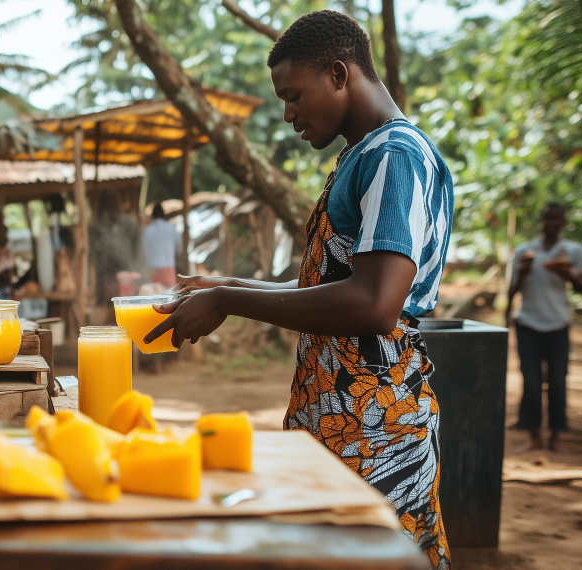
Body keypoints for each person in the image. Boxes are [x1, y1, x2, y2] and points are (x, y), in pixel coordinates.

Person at [139, 11, 453, 567]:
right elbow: (332, 286)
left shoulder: (394, 155)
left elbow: (375, 305)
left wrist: (231, 301)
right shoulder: (362, 156)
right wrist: (229, 284)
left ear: (338, 74)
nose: (286, 114)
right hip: (339, 415)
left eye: (293, 95)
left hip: (373, 428)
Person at [505, 203, 582, 452]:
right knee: (531, 381)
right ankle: (533, 435)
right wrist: (522, 274)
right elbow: (512, 290)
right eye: (546, 219)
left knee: (558, 380)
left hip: (558, 325)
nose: (550, 224)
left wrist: (569, 275)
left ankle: (556, 437)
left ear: (563, 222)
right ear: (540, 221)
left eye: (555, 219)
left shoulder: (572, 251)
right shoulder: (525, 251)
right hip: (527, 324)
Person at [90, 192, 141, 303]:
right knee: (109, 301)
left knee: (127, 301)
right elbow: (95, 250)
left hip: (126, 271)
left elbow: (137, 246)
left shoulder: (130, 223)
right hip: (107, 273)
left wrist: (135, 266)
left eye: (114, 205)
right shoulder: (100, 225)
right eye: (109, 206)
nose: (113, 209)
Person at [141, 203, 183, 289]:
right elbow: (179, 251)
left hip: (152, 269)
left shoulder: (146, 231)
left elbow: (142, 253)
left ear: (152, 216)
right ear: (164, 215)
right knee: (170, 297)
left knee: (154, 296)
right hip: (168, 268)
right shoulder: (172, 229)